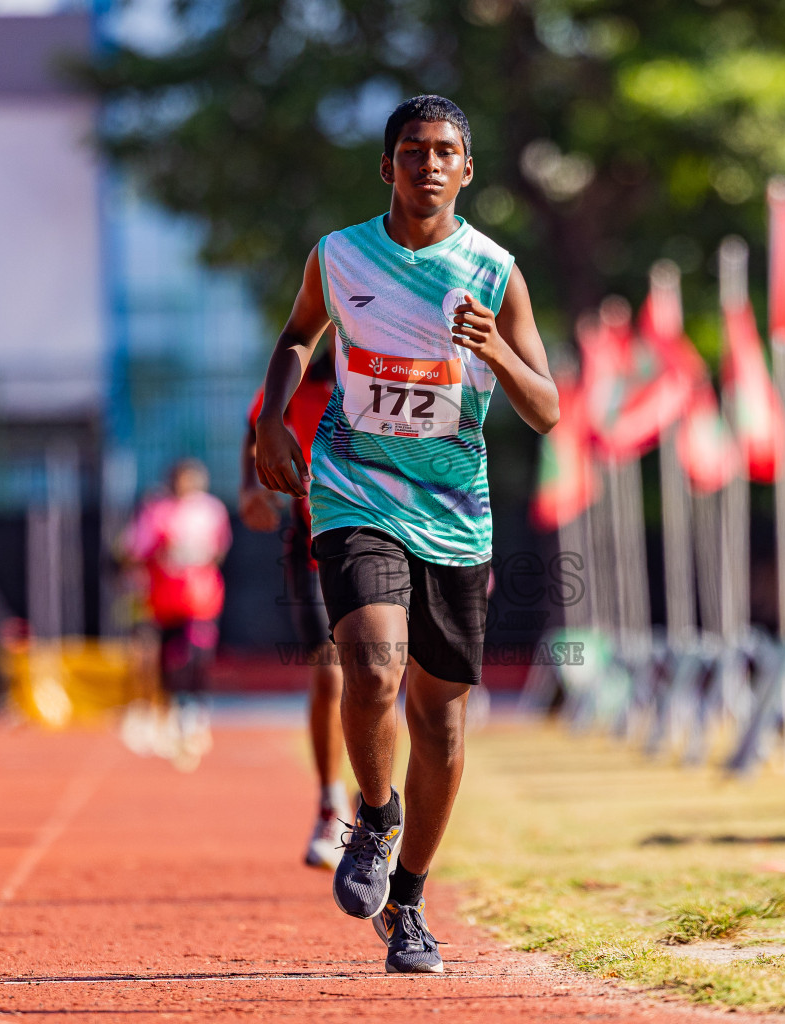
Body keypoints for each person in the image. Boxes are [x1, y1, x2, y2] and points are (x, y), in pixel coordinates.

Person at [253, 95, 557, 974]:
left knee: (443, 721)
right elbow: (297, 336)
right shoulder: (339, 255)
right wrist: (272, 420)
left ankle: (412, 902)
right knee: (374, 664)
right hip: (354, 491)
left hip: (455, 515)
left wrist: (497, 351)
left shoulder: (495, 272)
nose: (429, 164)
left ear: (468, 170)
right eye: (413, 150)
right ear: (387, 166)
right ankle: (374, 817)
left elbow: (547, 411)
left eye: (446, 151)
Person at [239, 342, 352, 869]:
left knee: (380, 675)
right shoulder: (300, 378)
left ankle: (374, 810)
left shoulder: (385, 359)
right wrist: (249, 487)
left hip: (389, 537)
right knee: (329, 675)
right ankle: (331, 806)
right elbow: (258, 422)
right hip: (314, 544)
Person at [124, 459, 232, 766]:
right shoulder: (156, 511)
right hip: (164, 600)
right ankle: (173, 711)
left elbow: (219, 549)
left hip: (201, 600)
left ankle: (193, 713)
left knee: (195, 654)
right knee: (167, 660)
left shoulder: (210, 510)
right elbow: (136, 551)